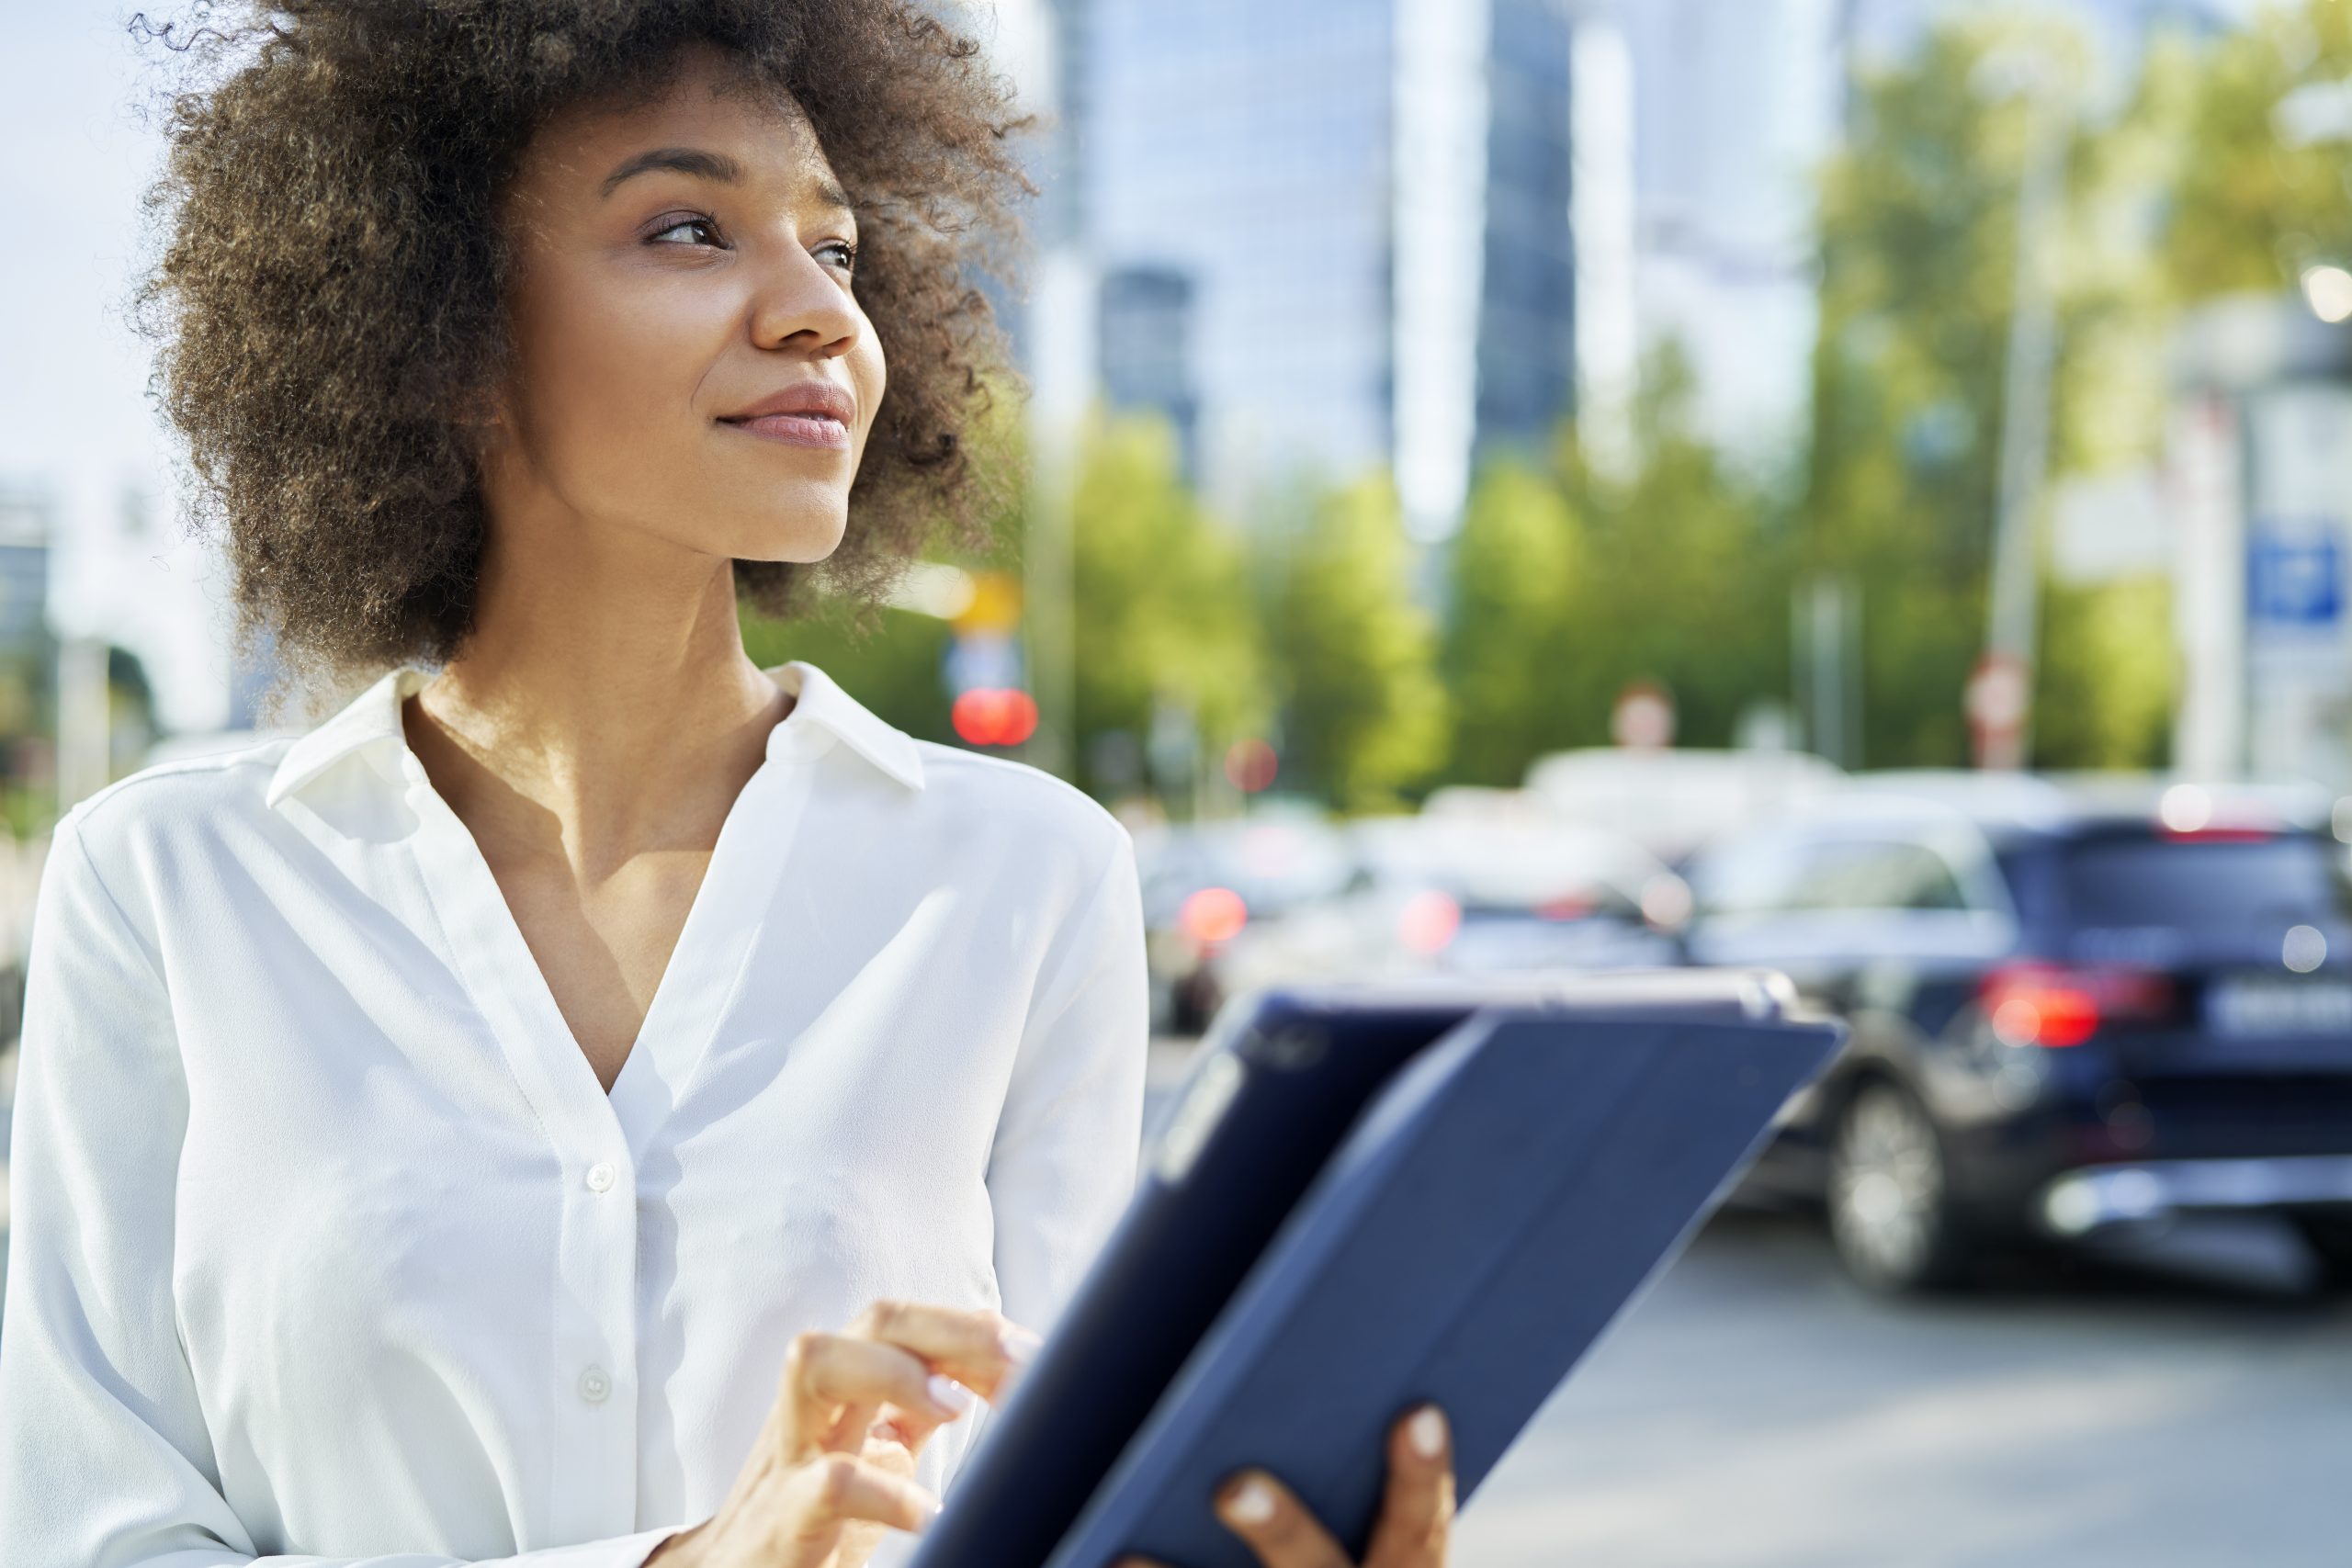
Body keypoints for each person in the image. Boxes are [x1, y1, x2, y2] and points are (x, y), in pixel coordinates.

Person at [0, 5, 1456, 1567]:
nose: (821, 314)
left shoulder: (1027, 878)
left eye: (836, 252)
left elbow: (1060, 1508)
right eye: (689, 228)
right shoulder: (164, 889)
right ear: (437, 331)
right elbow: (95, 1540)